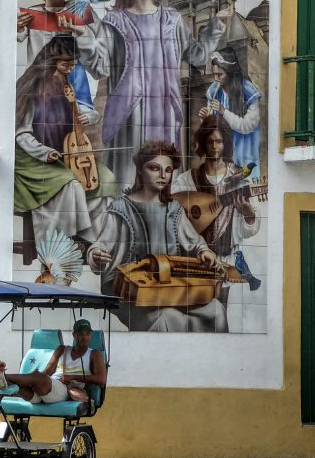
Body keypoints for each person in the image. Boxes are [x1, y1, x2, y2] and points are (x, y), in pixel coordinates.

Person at [69, 0, 226, 186]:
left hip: (164, 114)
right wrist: (84, 36)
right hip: (129, 116)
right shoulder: (115, 22)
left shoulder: (172, 19)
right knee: (128, 185)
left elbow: (197, 55)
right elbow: (100, 66)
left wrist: (216, 25)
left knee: (162, 187)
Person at [86, 140, 225, 332]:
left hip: (168, 286)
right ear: (141, 170)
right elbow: (100, 245)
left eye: (168, 170)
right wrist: (96, 255)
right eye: (155, 168)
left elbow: (195, 242)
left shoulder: (174, 209)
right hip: (130, 290)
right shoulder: (121, 208)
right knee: (168, 317)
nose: (163, 176)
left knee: (216, 310)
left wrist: (204, 251)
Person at [14, 35, 115, 244]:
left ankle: (95, 241)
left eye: (73, 64)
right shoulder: (31, 89)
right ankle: (65, 240)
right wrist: (44, 152)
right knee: (71, 184)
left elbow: (84, 110)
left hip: (67, 152)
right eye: (65, 64)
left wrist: (90, 116)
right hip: (33, 159)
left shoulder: (68, 85)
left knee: (106, 179)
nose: (70, 69)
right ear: (52, 61)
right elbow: (21, 133)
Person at [171, 116, 260, 264]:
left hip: (228, 260)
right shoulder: (187, 180)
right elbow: (170, 210)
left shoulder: (240, 180)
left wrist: (249, 214)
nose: (214, 146)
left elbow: (249, 232)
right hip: (195, 260)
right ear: (203, 144)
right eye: (209, 141)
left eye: (218, 141)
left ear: (225, 143)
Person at [0, 318, 107, 405]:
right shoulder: (62, 349)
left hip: (65, 391)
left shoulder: (94, 354)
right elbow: (47, 371)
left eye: (88, 334)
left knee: (37, 377)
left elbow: (101, 380)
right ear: (74, 334)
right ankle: (3, 379)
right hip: (46, 389)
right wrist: (32, 380)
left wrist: (73, 377)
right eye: (81, 334)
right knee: (22, 386)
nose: (85, 337)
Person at [199, 46, 263, 174]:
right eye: (214, 74)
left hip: (244, 146)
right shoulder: (213, 90)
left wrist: (224, 112)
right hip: (223, 148)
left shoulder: (247, 90)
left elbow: (248, 126)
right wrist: (205, 119)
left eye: (220, 75)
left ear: (231, 72)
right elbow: (212, 127)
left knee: (243, 180)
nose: (216, 79)